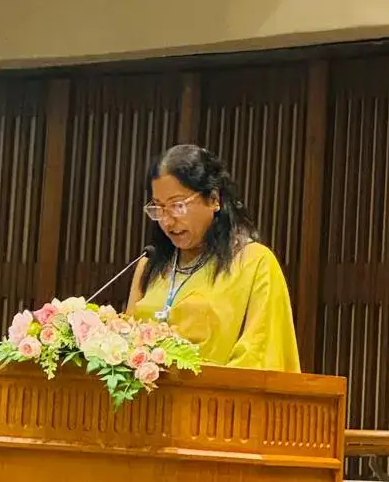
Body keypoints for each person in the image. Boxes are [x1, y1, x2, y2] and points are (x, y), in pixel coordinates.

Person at [127, 143, 301, 371]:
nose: (167, 221)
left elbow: (259, 358)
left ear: (214, 199)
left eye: (178, 206)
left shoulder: (254, 262)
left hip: (214, 404)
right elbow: (126, 346)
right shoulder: (149, 264)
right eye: (158, 209)